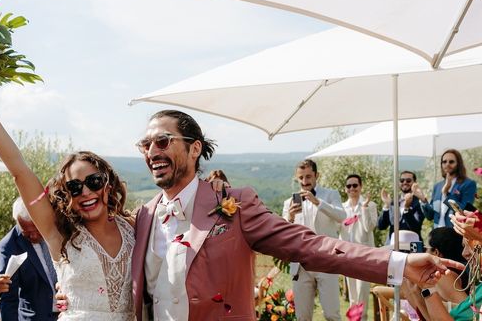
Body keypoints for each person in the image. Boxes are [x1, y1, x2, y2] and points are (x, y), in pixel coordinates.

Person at [131, 109, 463, 321]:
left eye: (162, 141)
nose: (152, 151)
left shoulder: (235, 204)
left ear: (194, 148)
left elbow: (310, 246)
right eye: (145, 145)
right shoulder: (142, 217)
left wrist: (399, 263)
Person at [0, 73, 135, 320]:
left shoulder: (135, 228)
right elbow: (18, 169)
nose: (86, 192)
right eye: (74, 187)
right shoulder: (59, 234)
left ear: (108, 183)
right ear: (66, 194)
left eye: (93, 182)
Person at [281, 159, 345, 321]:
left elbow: (341, 216)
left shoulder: (330, 195)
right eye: (301, 177)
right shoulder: (289, 203)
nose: (304, 181)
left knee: (332, 314)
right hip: (301, 264)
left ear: (317, 175)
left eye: (308, 177)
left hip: (327, 260)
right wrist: (290, 217)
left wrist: (318, 202)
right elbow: (282, 234)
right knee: (302, 316)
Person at [0, 198, 59, 320]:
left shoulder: (59, 229)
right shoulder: (9, 246)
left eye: (37, 230)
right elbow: (8, 297)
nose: (34, 236)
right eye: (27, 232)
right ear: (17, 222)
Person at [340, 174, 377, 321]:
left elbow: (369, 227)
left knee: (362, 293)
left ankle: (363, 319)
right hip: (348, 255)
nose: (352, 188)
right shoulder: (341, 208)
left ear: (360, 187)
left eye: (355, 185)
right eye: (349, 186)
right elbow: (339, 231)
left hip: (364, 255)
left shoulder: (371, 205)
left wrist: (364, 208)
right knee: (353, 296)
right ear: (345, 189)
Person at [415, 149, 476, 228]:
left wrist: (446, 193)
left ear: (458, 164)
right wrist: (423, 200)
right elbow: (430, 216)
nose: (447, 164)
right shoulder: (437, 186)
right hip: (437, 233)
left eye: (451, 162)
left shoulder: (468, 184)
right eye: (444, 162)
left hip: (455, 233)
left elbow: (463, 211)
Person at [378, 170, 425, 242]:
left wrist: (407, 208)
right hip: (393, 245)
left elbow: (415, 227)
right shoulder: (393, 201)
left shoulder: (419, 202)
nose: (405, 182)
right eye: (402, 180)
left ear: (414, 183)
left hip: (411, 246)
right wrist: (387, 206)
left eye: (408, 180)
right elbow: (381, 226)